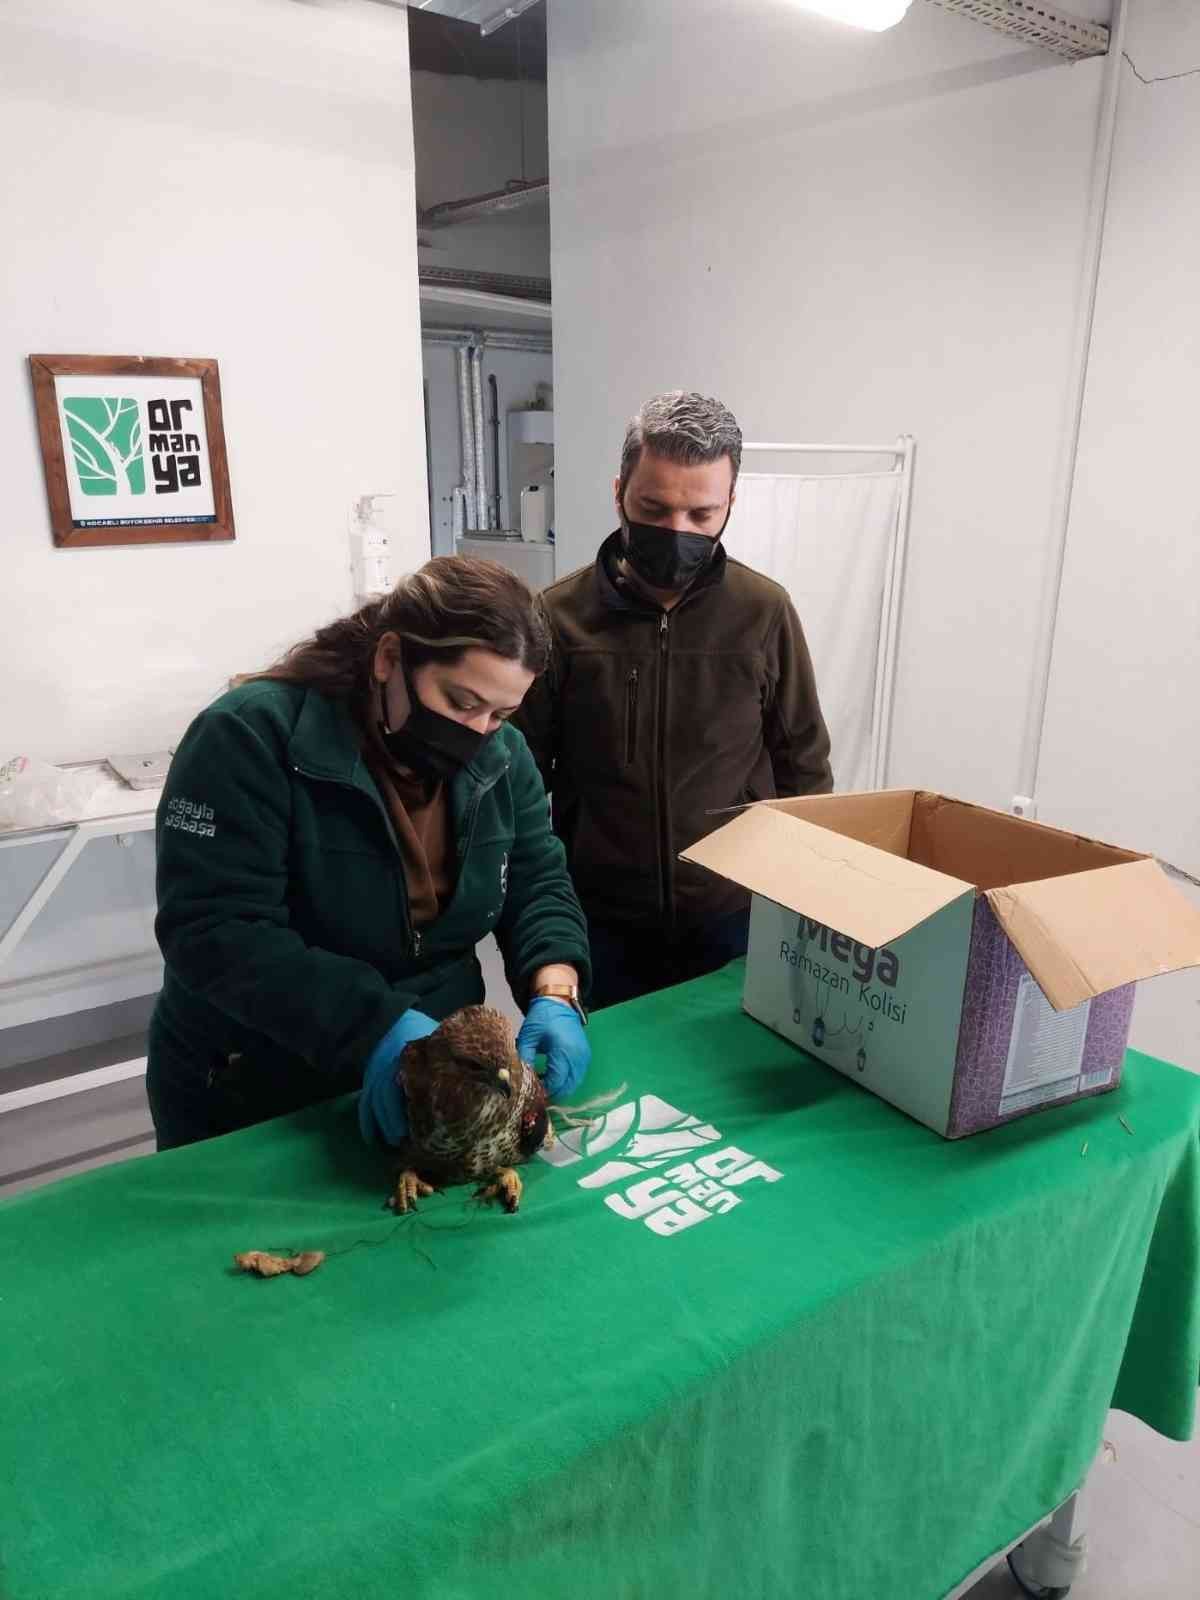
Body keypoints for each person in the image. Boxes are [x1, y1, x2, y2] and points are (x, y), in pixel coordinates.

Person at [147, 557, 591, 1151]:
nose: (479, 731)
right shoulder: (250, 737)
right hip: (258, 1078)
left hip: (437, 1077)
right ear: (389, 659)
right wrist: (377, 1027)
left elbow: (537, 880)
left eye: (501, 714)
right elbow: (215, 930)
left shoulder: (502, 756)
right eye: (461, 702)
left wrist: (555, 987)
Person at [514, 390, 832, 1010]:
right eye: (653, 509)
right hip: (600, 922)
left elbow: (804, 767)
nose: (676, 533)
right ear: (618, 492)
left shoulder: (763, 612)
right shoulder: (557, 618)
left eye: (701, 515)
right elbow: (522, 781)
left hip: (734, 917)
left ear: (731, 506)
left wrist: (803, 904)